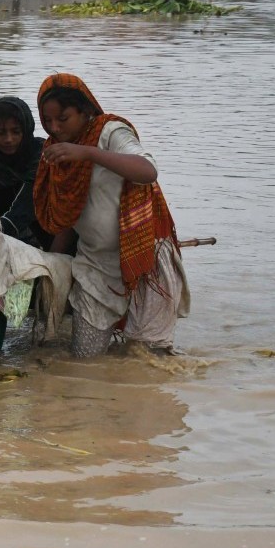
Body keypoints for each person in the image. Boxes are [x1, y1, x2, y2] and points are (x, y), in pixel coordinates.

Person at [34, 74, 190, 357]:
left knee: (147, 360)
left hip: (144, 259)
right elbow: (69, 210)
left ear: (85, 111)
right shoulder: (56, 150)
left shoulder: (110, 132)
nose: (54, 128)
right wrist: (51, 266)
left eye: (63, 119)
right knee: (85, 359)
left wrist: (88, 154)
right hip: (95, 264)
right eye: (47, 121)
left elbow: (147, 170)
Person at [0, 96, 51, 249]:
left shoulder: (42, 153)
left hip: (45, 232)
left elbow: (30, 197)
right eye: (1, 133)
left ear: (26, 130)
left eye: (16, 132)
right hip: (0, 230)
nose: (8, 139)